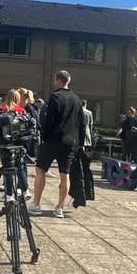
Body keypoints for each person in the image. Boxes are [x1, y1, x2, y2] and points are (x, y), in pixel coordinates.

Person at [28, 70, 84, 219]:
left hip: (53, 140)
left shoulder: (55, 96)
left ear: (59, 81)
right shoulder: (77, 100)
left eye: (54, 80)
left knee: (40, 170)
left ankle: (36, 204)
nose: (53, 83)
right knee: (64, 175)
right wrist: (80, 143)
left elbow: (49, 120)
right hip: (70, 142)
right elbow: (82, 124)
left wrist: (44, 137)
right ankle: (59, 207)